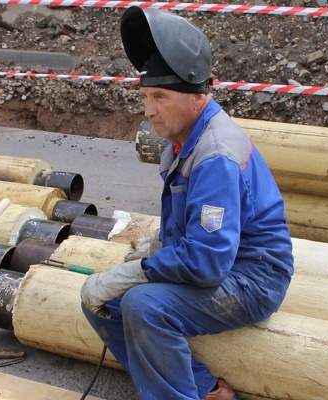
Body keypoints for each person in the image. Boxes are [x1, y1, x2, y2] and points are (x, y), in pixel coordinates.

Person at [80, 7, 294, 400]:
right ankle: (202, 389)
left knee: (144, 303)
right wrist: (161, 246)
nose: (148, 111)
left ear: (198, 97)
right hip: (223, 262)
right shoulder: (186, 138)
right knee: (101, 299)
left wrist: (140, 273)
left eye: (159, 97)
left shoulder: (214, 156)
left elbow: (208, 262)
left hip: (253, 279)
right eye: (146, 97)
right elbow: (195, 225)